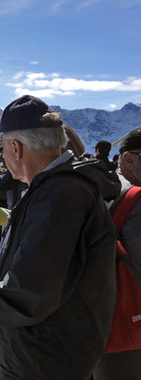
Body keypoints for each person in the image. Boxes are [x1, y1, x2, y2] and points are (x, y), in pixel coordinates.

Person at [0, 95, 119, 380]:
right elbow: (45, 263)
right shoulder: (57, 188)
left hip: (47, 363)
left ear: (15, 148)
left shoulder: (60, 197)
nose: (1, 155)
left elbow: (28, 294)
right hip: (55, 353)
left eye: (0, 147)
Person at [94, 126, 141, 380]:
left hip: (106, 322)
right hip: (133, 331)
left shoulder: (104, 186)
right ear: (130, 159)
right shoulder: (138, 199)